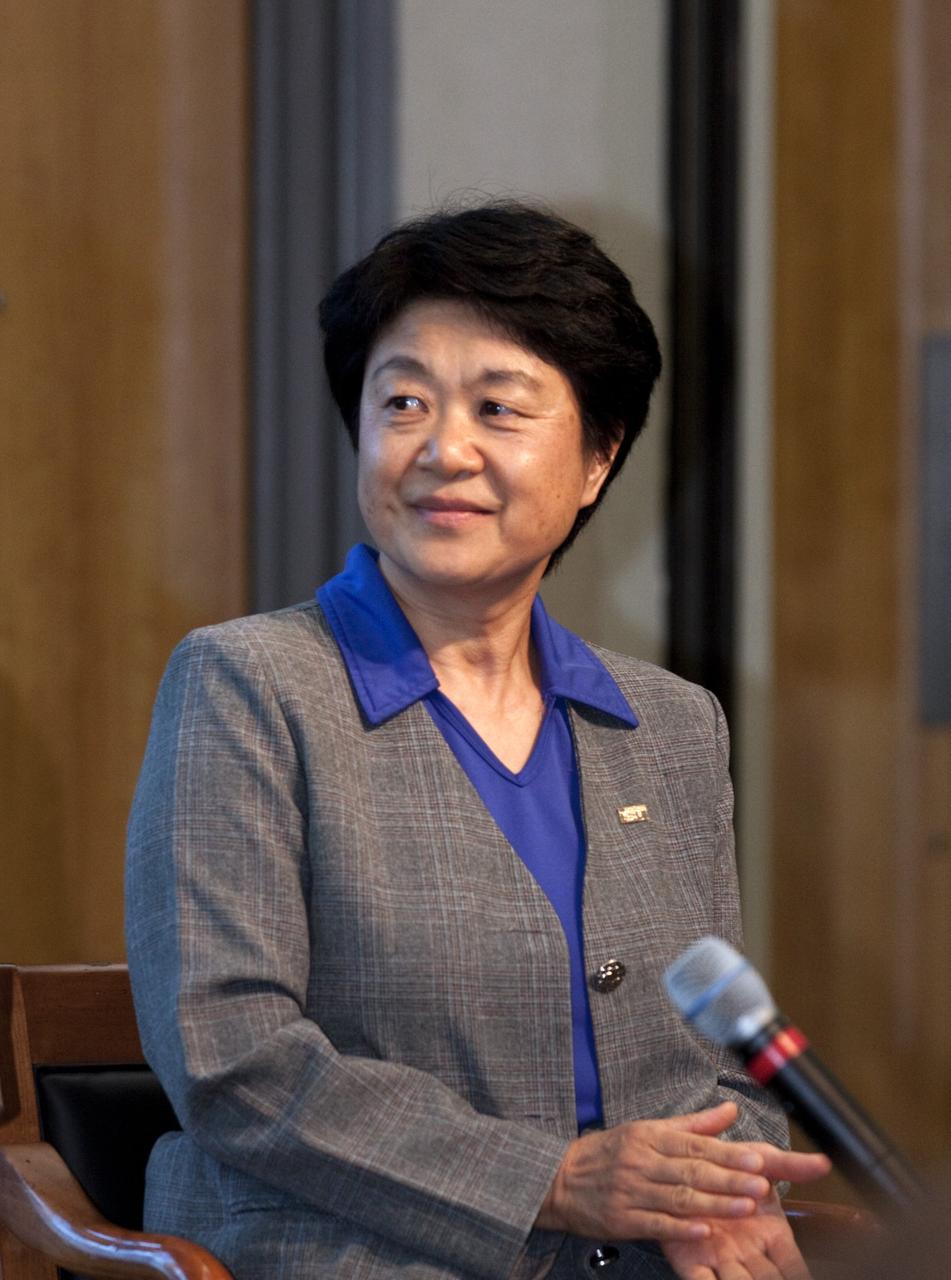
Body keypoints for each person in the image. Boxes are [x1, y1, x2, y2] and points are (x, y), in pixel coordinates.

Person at [125, 202, 829, 1280]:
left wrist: (724, 1194)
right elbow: (234, 1060)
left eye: (499, 407)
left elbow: (718, 1063)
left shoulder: (673, 724)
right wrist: (550, 1178)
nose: (443, 449)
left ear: (598, 456)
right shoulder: (249, 684)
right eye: (401, 400)